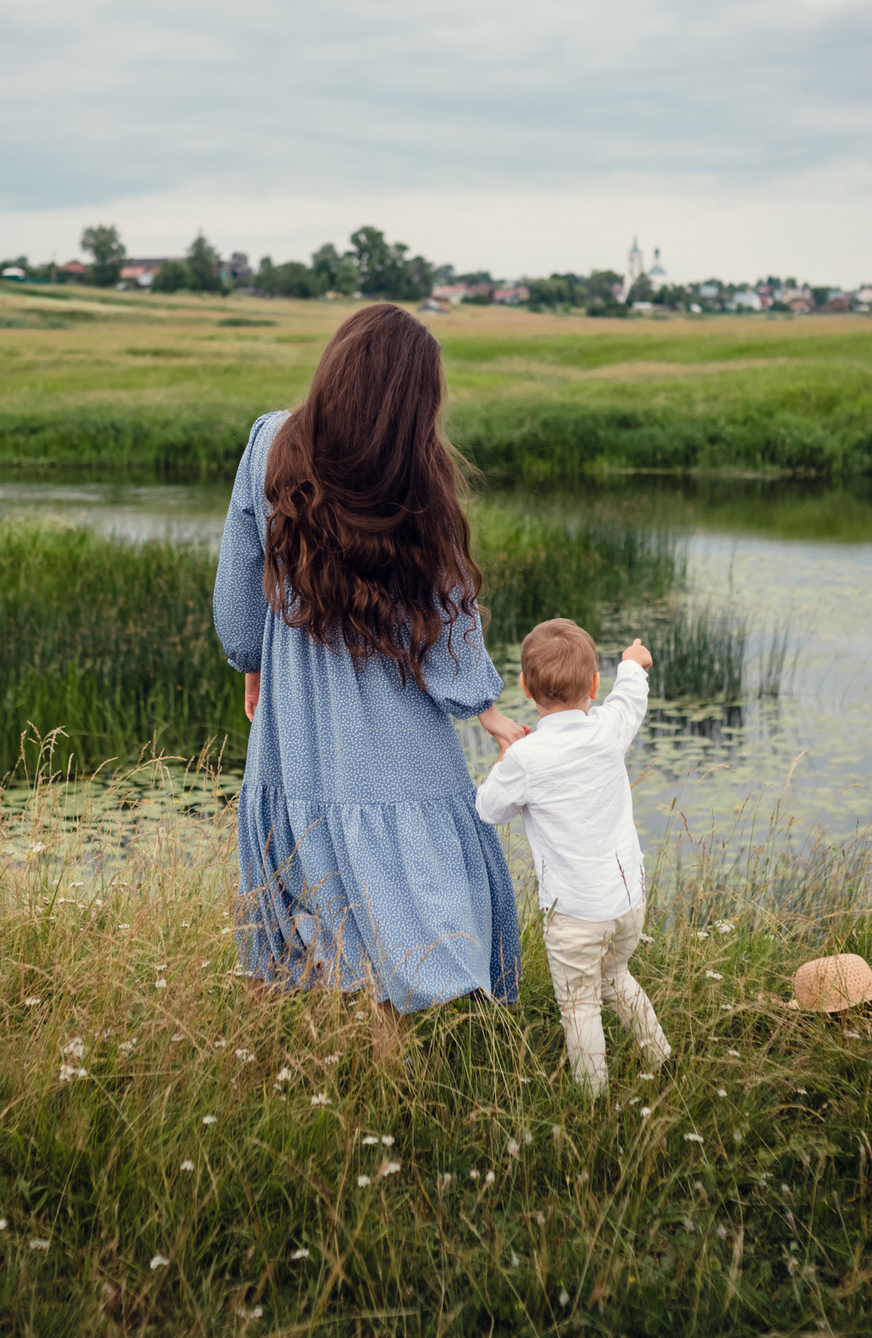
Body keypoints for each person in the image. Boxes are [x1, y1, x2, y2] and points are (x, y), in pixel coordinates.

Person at [213, 304, 533, 1047]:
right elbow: (450, 626)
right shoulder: (420, 480)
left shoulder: (267, 447)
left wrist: (254, 662)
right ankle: (390, 1076)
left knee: (294, 913)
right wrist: (486, 709)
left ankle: (276, 1068)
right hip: (395, 744)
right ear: (410, 403)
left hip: (295, 735)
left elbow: (238, 602)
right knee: (399, 925)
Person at [472, 617, 670, 1095]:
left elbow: (487, 808)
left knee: (579, 1005)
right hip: (625, 903)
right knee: (617, 976)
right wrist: (632, 662)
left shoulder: (526, 757)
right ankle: (661, 1060)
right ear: (593, 685)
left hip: (575, 915)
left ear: (524, 686)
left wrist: (505, 752)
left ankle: (592, 1097)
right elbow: (630, 697)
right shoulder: (608, 729)